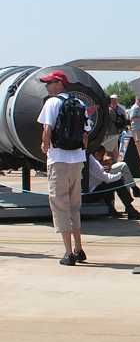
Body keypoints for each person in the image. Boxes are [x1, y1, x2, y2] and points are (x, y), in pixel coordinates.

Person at [36, 70, 91, 266]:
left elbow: (47, 129)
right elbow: (86, 134)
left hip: (58, 160)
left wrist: (45, 147)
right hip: (77, 160)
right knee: (75, 205)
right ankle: (79, 248)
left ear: (59, 83)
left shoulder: (52, 103)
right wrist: (80, 151)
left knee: (60, 206)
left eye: (50, 83)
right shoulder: (80, 103)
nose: (47, 86)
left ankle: (68, 253)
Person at [86, 147, 140, 220]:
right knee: (116, 182)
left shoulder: (86, 157)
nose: (102, 158)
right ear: (96, 154)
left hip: (89, 190)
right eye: (101, 156)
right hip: (90, 194)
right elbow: (107, 178)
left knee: (113, 182)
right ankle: (130, 209)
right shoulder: (92, 161)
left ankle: (117, 209)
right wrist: (120, 175)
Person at [107, 95, 128, 163]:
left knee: (113, 150)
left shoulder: (118, 109)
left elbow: (125, 120)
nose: (114, 101)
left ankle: (113, 163)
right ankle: (113, 163)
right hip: (111, 132)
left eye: (115, 100)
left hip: (115, 132)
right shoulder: (118, 109)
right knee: (112, 149)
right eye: (113, 100)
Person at [128, 97, 140, 162]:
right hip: (137, 128)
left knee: (139, 143)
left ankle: (139, 156)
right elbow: (131, 118)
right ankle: (139, 157)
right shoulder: (135, 107)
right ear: (138, 99)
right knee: (138, 143)